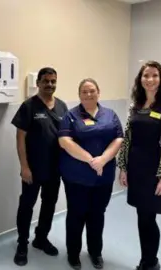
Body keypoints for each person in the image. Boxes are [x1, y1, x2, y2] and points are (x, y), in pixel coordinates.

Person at [117, 61, 161, 270]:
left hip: (156, 171)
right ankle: (146, 261)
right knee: (141, 216)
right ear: (140, 79)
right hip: (136, 169)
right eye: (146, 75)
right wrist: (124, 167)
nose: (150, 79)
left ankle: (150, 262)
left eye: (155, 75)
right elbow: (128, 139)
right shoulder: (135, 105)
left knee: (149, 217)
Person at [58, 78, 124, 270]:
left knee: (97, 215)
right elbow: (65, 141)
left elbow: (119, 138)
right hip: (76, 177)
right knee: (76, 215)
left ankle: (96, 253)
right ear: (79, 95)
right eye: (84, 91)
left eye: (92, 91)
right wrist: (91, 160)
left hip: (103, 177)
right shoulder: (70, 116)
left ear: (98, 92)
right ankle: (73, 254)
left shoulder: (110, 115)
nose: (88, 94)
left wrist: (103, 159)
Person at [11, 67, 68, 266]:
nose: (50, 85)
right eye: (46, 81)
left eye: (53, 81)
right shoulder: (28, 106)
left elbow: (66, 137)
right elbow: (20, 139)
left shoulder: (62, 106)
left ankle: (41, 238)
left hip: (54, 169)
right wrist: (24, 167)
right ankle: (22, 243)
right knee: (26, 205)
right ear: (38, 83)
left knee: (49, 204)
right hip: (33, 169)